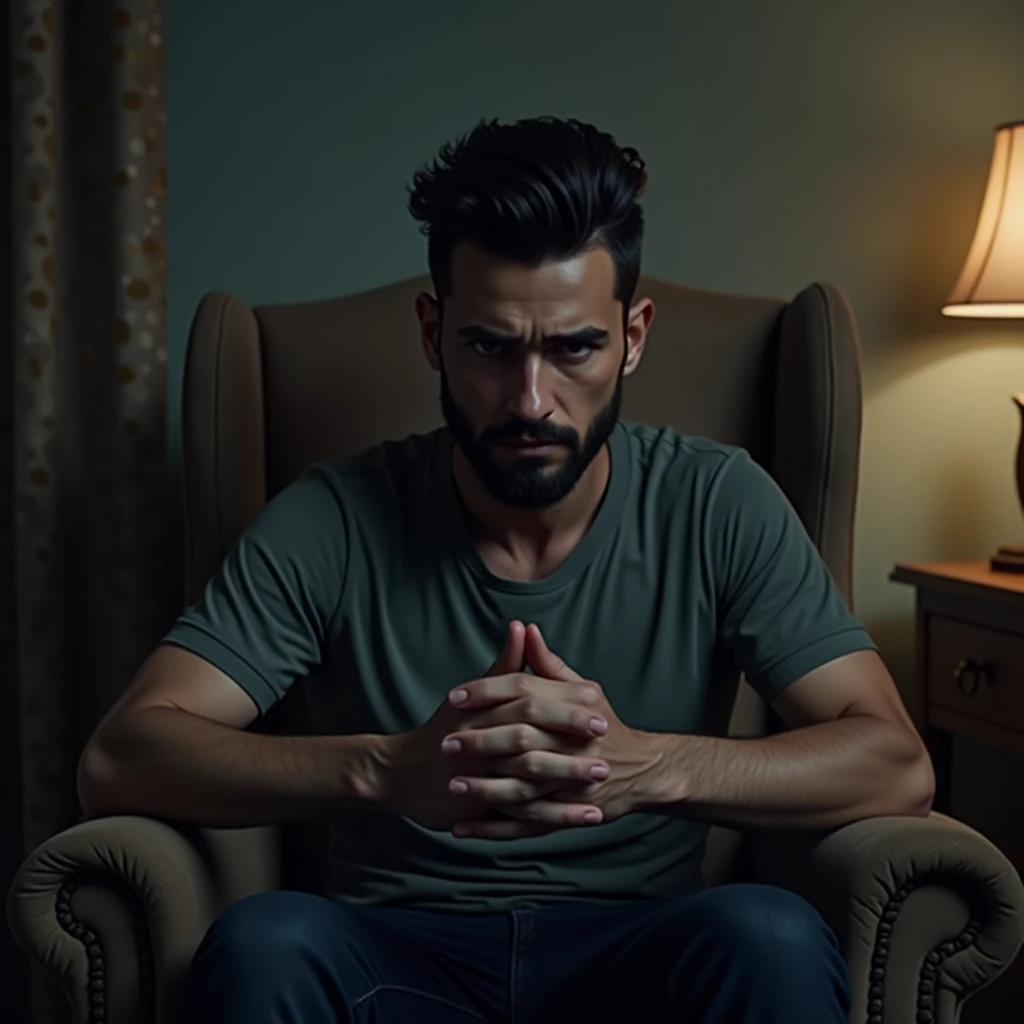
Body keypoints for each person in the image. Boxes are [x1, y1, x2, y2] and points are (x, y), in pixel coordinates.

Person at [77, 116, 934, 1024]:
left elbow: (895, 764)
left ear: (633, 338)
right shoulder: (333, 516)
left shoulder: (717, 501)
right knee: (264, 943)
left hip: (640, 951)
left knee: (770, 933)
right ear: (433, 331)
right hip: (396, 956)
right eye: (490, 347)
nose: (531, 401)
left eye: (574, 348)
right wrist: (384, 771)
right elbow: (120, 757)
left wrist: (650, 767)